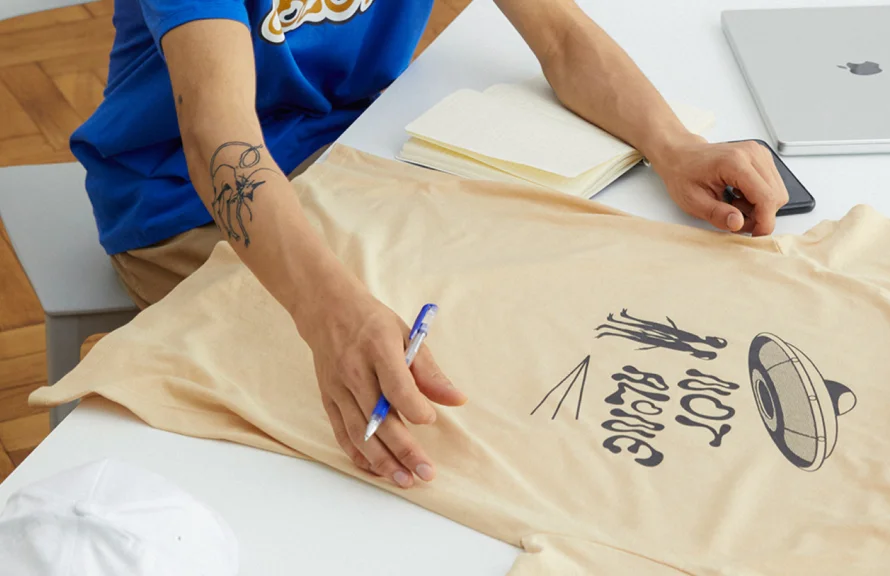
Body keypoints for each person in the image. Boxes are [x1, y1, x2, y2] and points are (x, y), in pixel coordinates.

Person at [71, 0, 789, 489]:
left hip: (357, 152)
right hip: (182, 204)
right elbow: (219, 140)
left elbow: (563, 38)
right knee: (365, 428)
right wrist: (332, 314)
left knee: (509, 341)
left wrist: (674, 145)